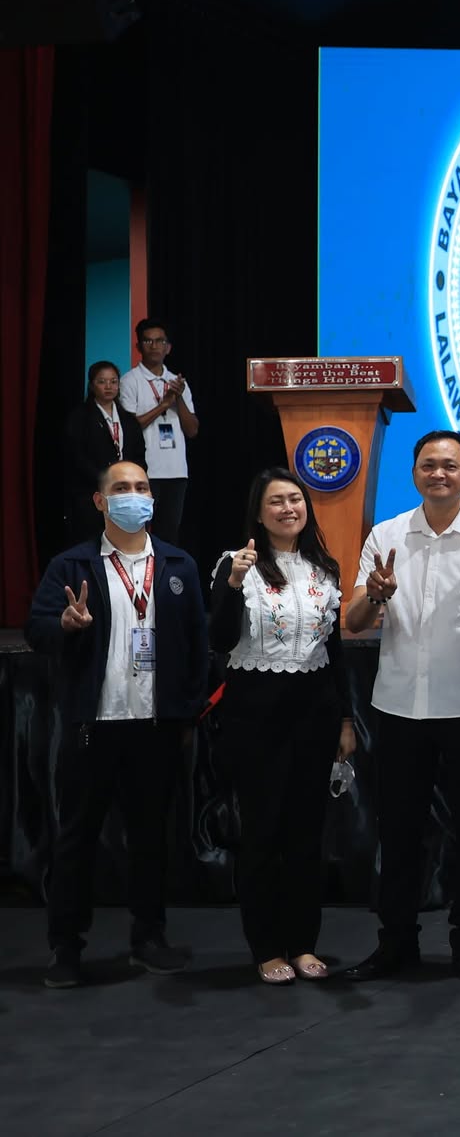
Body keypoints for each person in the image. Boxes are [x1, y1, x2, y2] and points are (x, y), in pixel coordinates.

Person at [341, 430, 460, 984]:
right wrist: (376, 594)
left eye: (449, 465)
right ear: (414, 472)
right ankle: (396, 941)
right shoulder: (386, 534)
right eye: (427, 465)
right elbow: (354, 622)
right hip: (399, 705)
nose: (438, 473)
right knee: (398, 832)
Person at [27, 460, 208, 988]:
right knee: (76, 840)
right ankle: (66, 946)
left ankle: (149, 937)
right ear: (100, 501)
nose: (135, 495)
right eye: (122, 488)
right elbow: (37, 629)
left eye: (142, 487)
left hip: (154, 727)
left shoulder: (178, 564)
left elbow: (196, 644)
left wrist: (186, 711)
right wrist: (64, 624)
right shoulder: (71, 565)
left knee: (151, 839)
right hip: (94, 725)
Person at [210, 468, 353, 984]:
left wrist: (345, 718)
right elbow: (219, 640)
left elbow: (334, 652)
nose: (288, 508)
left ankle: (303, 943)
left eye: (295, 499)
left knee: (306, 837)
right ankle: (267, 947)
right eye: (276, 501)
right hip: (255, 719)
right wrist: (232, 583)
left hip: (314, 717)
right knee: (262, 834)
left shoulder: (324, 568)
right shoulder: (236, 564)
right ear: (258, 511)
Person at [118, 318, 198, 545]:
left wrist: (177, 398)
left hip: (176, 471)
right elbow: (130, 428)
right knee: (137, 534)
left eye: (160, 341)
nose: (154, 346)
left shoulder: (177, 382)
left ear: (168, 347)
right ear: (139, 346)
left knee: (169, 536)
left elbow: (192, 430)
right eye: (148, 341)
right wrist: (163, 405)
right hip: (144, 471)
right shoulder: (130, 381)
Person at [63, 361, 146, 543]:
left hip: (125, 495)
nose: (108, 386)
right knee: (93, 543)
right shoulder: (80, 417)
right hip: (91, 493)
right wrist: (104, 479)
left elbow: (139, 454)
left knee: (123, 542)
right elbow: (77, 457)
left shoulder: (128, 419)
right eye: (102, 381)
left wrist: (130, 481)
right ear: (92, 385)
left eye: (113, 381)